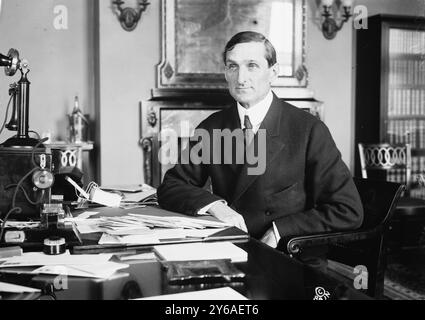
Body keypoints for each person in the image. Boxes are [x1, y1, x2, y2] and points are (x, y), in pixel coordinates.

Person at [157, 31, 363, 267]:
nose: (241, 78)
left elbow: (347, 209)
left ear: (273, 72)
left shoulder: (308, 129)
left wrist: (280, 230)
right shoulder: (213, 127)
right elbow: (171, 186)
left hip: (289, 258)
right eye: (232, 66)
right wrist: (216, 207)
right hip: (230, 252)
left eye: (252, 66)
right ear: (225, 72)